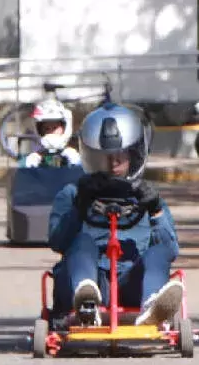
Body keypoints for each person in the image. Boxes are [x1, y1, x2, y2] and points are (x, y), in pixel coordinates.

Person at [47, 102, 183, 325]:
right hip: (90, 277)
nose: (114, 162)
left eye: (121, 154)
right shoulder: (73, 194)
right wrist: (79, 207)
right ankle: (86, 303)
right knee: (82, 241)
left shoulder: (147, 195)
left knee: (159, 250)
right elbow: (57, 242)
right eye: (106, 155)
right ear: (92, 156)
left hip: (131, 281)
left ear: (133, 154)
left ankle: (152, 306)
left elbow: (171, 249)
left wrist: (156, 210)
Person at [23, 96, 82, 168]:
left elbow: (84, 176)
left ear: (64, 128)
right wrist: (28, 167)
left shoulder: (73, 156)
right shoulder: (35, 158)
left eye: (55, 128)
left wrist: (76, 163)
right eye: (47, 129)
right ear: (40, 132)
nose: (51, 132)